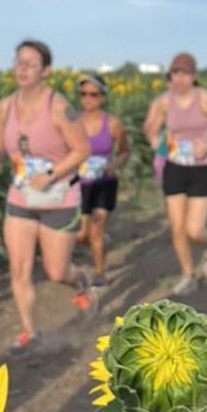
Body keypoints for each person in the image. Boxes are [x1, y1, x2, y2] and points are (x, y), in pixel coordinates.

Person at [0, 39, 93, 350]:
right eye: (19, 62)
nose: (23, 69)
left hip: (59, 196)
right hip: (21, 197)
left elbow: (82, 149)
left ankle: (80, 281)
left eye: (31, 64)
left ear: (46, 71)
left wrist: (52, 174)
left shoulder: (58, 108)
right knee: (19, 269)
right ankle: (30, 332)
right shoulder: (5, 106)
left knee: (56, 271)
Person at [143, 52, 207, 296]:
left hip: (202, 168)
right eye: (176, 73)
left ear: (194, 76)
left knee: (194, 230)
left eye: (185, 74)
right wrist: (156, 142)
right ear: (170, 76)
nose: (180, 79)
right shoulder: (164, 102)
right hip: (174, 167)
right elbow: (150, 127)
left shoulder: (206, 99)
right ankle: (188, 275)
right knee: (177, 228)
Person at [74, 74, 129, 286]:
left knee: (96, 229)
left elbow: (124, 151)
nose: (88, 99)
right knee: (81, 235)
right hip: (79, 185)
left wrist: (114, 165)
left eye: (93, 94)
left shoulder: (113, 124)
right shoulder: (73, 123)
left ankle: (99, 273)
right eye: (83, 94)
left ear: (103, 97)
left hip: (104, 183)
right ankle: (101, 242)